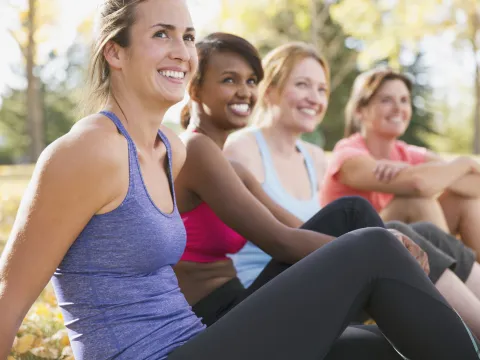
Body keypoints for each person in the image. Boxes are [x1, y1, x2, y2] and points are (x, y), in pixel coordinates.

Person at [0, 3, 478, 358]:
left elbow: (275, 218)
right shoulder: (85, 151)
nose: (181, 51)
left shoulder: (169, 149)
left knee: (369, 350)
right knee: (372, 248)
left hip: (193, 339)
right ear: (115, 53)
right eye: (162, 35)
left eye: (188, 37)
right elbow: (8, 296)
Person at [171, 32, 480, 359]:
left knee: (352, 214)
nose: (245, 91)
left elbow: (298, 227)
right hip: (218, 316)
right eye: (229, 80)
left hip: (241, 299)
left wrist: (381, 247)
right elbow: (281, 241)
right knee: (372, 236)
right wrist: (379, 250)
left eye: (251, 81)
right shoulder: (195, 149)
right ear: (194, 87)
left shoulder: (230, 166)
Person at [320, 67, 480, 257]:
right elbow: (418, 184)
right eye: (386, 100)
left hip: (397, 248)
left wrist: (464, 163)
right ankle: (459, 279)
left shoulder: (408, 154)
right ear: (359, 110)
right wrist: (459, 165)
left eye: (404, 100)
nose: (398, 108)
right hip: (354, 256)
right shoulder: (347, 155)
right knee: (415, 202)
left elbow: (475, 184)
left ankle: (469, 277)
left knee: (465, 200)